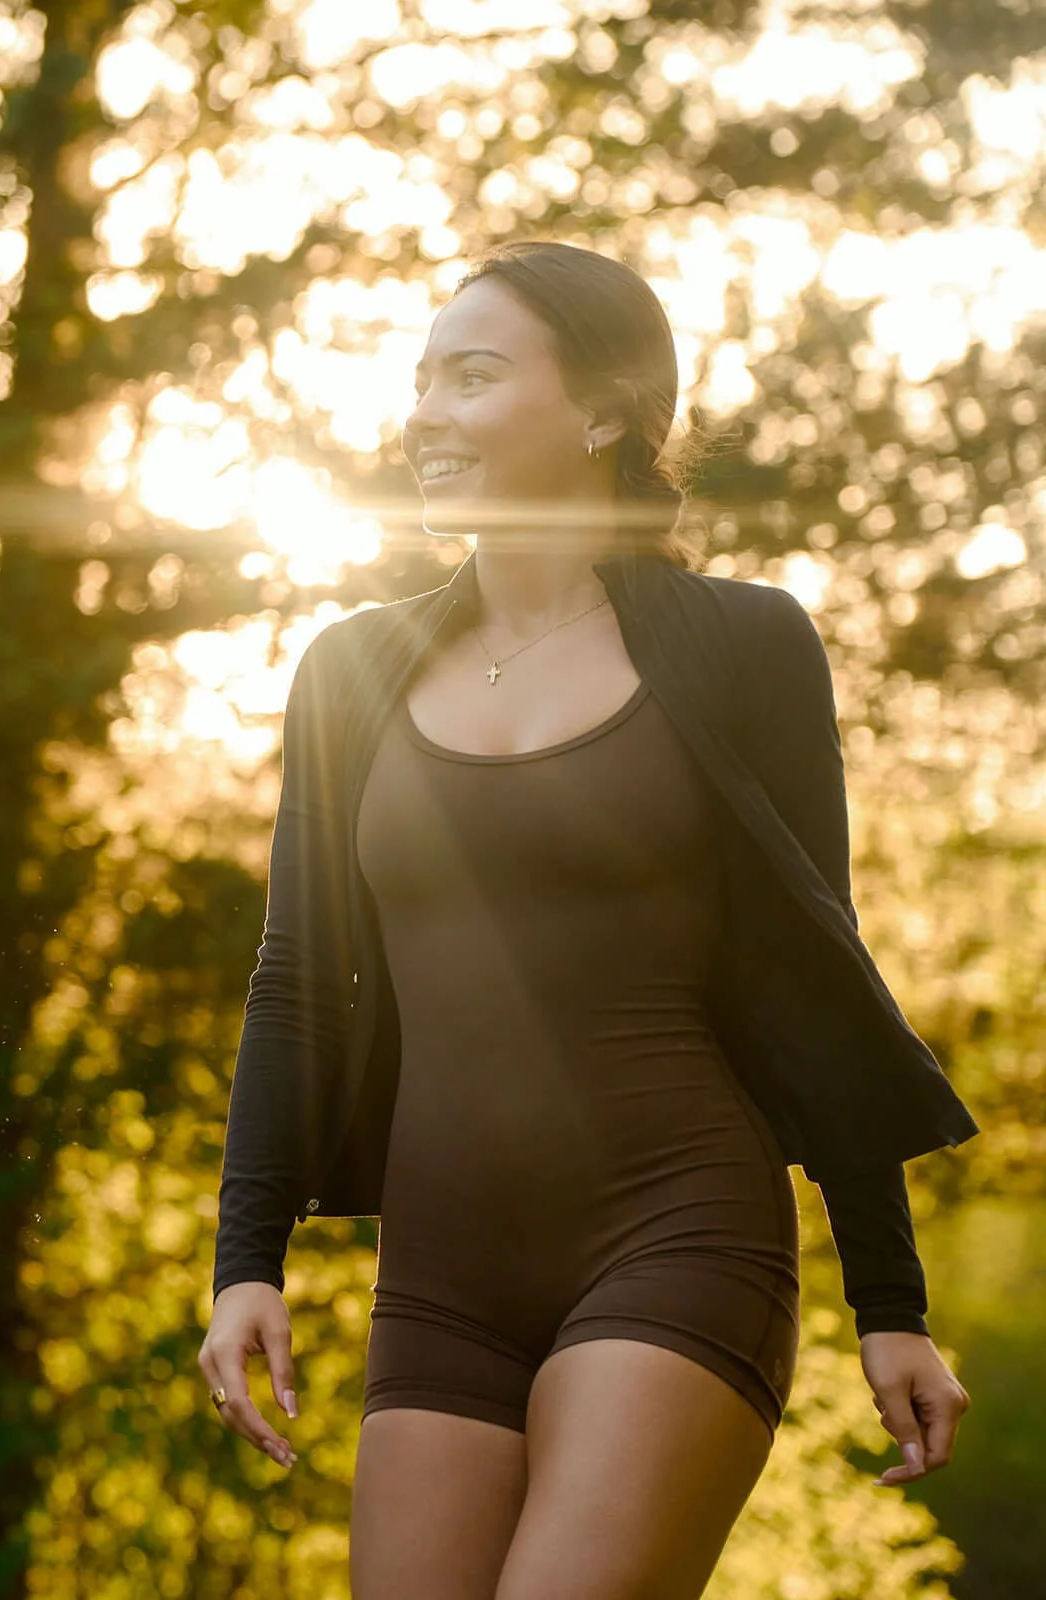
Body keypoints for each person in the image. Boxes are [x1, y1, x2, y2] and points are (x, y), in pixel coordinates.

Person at [199, 240, 976, 1599]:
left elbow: (819, 967)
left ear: (607, 409)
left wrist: (890, 1304)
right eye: (422, 380)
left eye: (475, 377)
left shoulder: (743, 643)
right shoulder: (350, 671)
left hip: (678, 1230)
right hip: (438, 1275)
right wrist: (243, 1262)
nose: (428, 414)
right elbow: (299, 979)